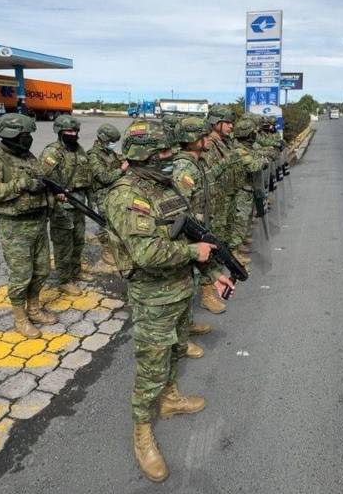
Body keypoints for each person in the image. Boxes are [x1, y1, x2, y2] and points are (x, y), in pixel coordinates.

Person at [102, 119, 234, 482]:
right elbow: (145, 253)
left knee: (176, 349)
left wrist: (211, 273)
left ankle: (171, 397)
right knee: (151, 366)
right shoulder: (125, 195)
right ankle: (142, 431)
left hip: (179, 289)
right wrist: (195, 251)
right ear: (142, 156)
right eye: (161, 152)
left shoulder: (165, 187)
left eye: (169, 151)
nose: (168, 157)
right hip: (152, 296)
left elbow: (193, 231)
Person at [0, 113, 57, 338]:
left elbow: (40, 181)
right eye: (25, 135)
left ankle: (34, 308)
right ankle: (20, 319)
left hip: (38, 222)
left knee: (42, 270)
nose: (29, 139)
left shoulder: (28, 156)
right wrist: (22, 184)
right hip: (14, 227)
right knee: (21, 275)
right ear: (12, 135)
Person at [171, 116, 220, 353]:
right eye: (203, 135)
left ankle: (187, 324)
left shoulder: (195, 162)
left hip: (198, 233)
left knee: (192, 283)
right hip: (188, 238)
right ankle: (179, 342)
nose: (208, 138)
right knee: (184, 287)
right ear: (192, 140)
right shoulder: (184, 169)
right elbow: (180, 211)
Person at [40, 115, 91, 295]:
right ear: (60, 132)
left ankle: (76, 271)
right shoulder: (52, 152)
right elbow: (42, 180)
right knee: (63, 245)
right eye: (69, 131)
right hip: (62, 208)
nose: (73, 134)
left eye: (75, 131)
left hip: (78, 205)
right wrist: (55, 194)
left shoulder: (79, 150)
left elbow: (87, 174)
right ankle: (64, 280)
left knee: (78, 241)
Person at [200, 105, 236, 313]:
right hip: (211, 205)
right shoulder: (209, 145)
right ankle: (206, 294)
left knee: (218, 245)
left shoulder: (223, 143)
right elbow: (207, 176)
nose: (231, 126)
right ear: (216, 123)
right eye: (228, 122)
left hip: (222, 200)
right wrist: (229, 161)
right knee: (209, 250)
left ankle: (212, 284)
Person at [87, 123, 125, 265]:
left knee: (116, 222)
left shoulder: (110, 153)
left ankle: (115, 248)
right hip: (101, 194)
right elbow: (103, 177)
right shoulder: (93, 155)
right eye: (111, 142)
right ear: (103, 139)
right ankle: (107, 251)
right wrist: (121, 170)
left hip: (113, 191)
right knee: (106, 223)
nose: (113, 145)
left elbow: (120, 159)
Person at [230, 117, 266, 258]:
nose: (255, 134)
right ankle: (235, 249)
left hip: (248, 189)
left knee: (246, 218)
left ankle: (241, 241)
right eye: (253, 132)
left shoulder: (247, 148)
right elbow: (254, 165)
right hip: (241, 190)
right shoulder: (239, 150)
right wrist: (263, 160)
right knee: (240, 220)